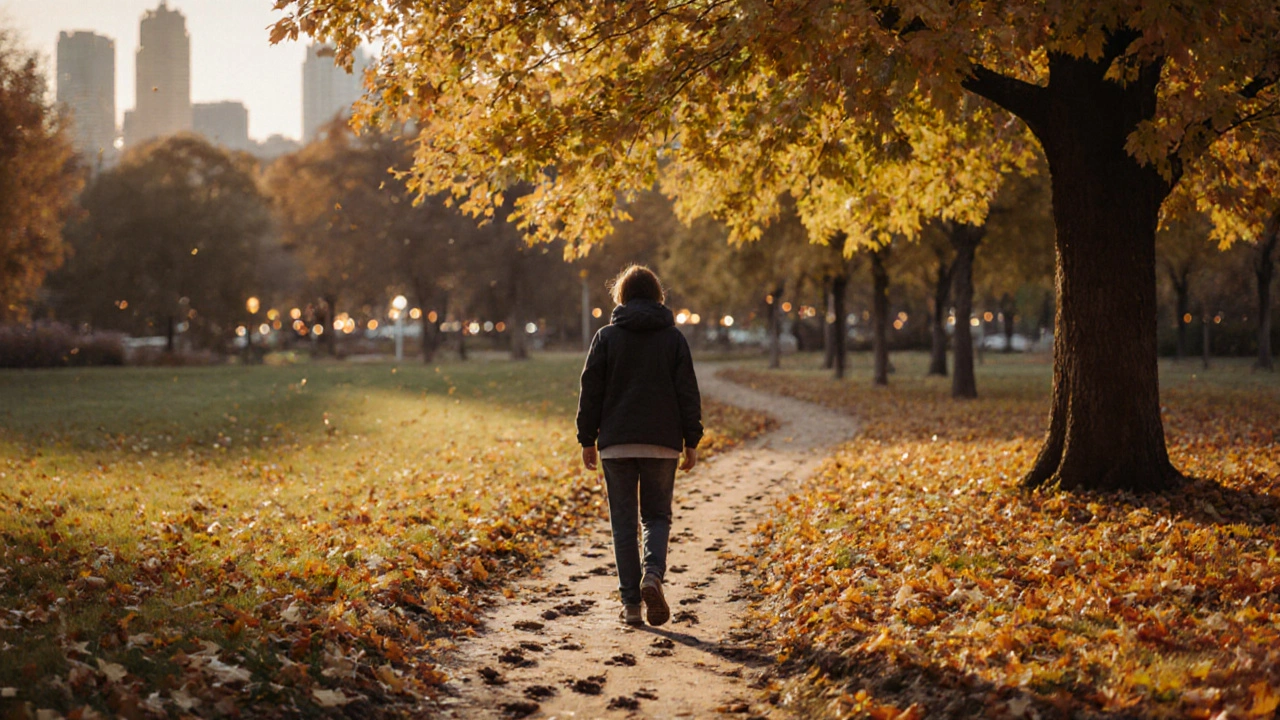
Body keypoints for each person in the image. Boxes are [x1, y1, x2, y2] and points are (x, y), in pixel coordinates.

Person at [576, 265, 702, 627]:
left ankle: (631, 605)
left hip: (616, 443)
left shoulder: (605, 337)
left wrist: (587, 438)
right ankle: (653, 576)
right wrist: (690, 440)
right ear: (658, 295)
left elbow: (591, 392)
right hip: (662, 443)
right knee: (657, 516)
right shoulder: (674, 339)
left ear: (622, 296)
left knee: (624, 524)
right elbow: (687, 393)